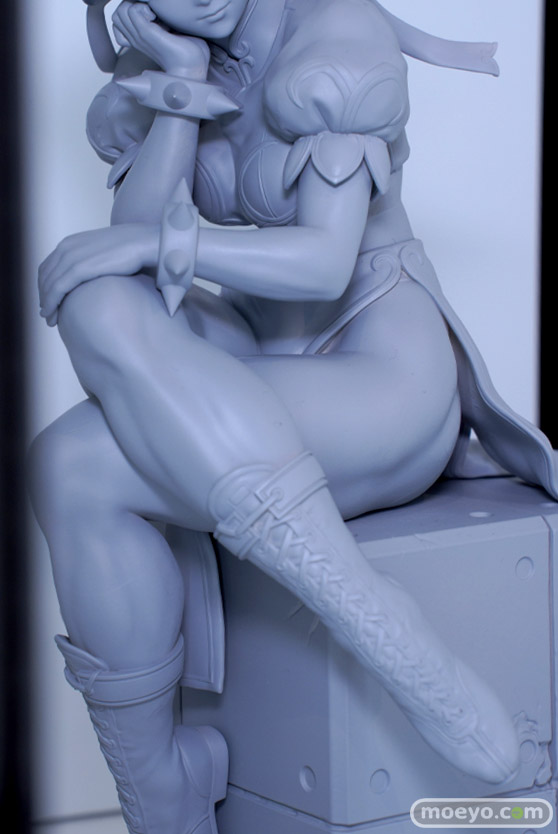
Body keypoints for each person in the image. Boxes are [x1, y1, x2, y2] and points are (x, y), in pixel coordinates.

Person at [29, 1, 557, 832]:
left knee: (76, 459)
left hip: (381, 371)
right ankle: (160, 790)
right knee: (94, 319)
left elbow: (322, 265)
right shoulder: (175, 55)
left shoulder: (337, 46)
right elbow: (128, 248)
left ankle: (383, 631)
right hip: (257, 368)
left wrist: (165, 247)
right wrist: (179, 84)